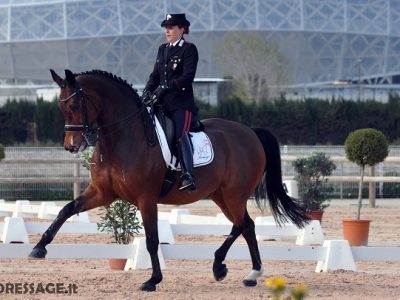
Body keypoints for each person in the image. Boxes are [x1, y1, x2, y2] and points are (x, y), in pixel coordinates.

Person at [141, 13, 199, 192]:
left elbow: (187, 77)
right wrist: (147, 90)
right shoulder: (162, 49)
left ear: (182, 29)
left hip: (180, 104)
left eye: (172, 27)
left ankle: (187, 175)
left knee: (180, 135)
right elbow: (155, 75)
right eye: (166, 27)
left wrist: (165, 87)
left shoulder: (189, 49)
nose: (167, 31)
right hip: (160, 104)